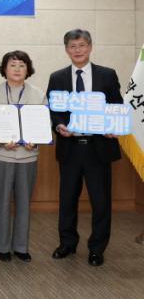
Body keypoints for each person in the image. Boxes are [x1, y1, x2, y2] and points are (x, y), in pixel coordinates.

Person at [47, 29, 122, 266]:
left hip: (98, 147)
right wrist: (59, 126)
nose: (77, 50)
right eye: (72, 46)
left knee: (101, 201)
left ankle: (97, 248)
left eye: (81, 45)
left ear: (90, 47)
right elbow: (54, 111)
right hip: (70, 147)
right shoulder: (57, 77)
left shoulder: (107, 75)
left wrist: (112, 126)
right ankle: (67, 243)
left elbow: (116, 106)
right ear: (66, 50)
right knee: (67, 199)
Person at [0, 50, 46, 263]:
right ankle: (2, 247)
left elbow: (44, 124)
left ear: (28, 69)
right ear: (4, 69)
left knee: (24, 203)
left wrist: (35, 140)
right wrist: (1, 140)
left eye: (21, 65)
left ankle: (21, 247)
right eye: (12, 65)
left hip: (28, 156)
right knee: (1, 202)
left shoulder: (38, 95)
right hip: (2, 155)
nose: (17, 69)